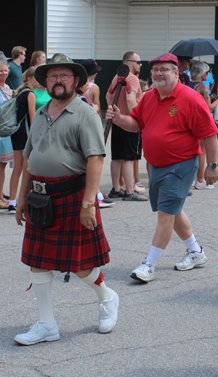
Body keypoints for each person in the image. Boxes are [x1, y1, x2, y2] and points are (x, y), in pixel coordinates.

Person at [13, 53, 119, 345]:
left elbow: (96, 160)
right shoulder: (43, 111)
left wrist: (88, 204)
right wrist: (21, 198)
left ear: (76, 81)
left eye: (64, 76)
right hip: (39, 198)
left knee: (81, 265)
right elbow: (28, 157)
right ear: (45, 81)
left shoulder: (84, 113)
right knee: (37, 262)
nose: (58, 81)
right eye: (52, 76)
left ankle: (107, 297)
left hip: (72, 197)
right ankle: (47, 324)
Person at [105, 52, 218, 279]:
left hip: (181, 165)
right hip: (156, 165)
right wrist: (119, 119)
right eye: (155, 69)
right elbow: (136, 123)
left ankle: (149, 264)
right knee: (172, 211)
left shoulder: (191, 99)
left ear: (176, 72)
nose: (158, 73)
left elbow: (210, 134)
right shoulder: (149, 96)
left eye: (164, 69)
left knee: (166, 214)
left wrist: (212, 165)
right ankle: (196, 251)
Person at [106, 51, 147, 201]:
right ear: (129, 63)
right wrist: (137, 117)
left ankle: (116, 188)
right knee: (129, 157)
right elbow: (130, 99)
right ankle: (130, 191)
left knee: (117, 156)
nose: (140, 64)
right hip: (129, 121)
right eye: (138, 61)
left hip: (117, 120)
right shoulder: (133, 78)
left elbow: (108, 95)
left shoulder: (117, 77)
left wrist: (113, 110)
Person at [8, 67, 38, 214]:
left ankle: (12, 202)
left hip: (16, 133)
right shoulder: (30, 94)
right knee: (25, 168)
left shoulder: (20, 92)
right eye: (37, 77)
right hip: (25, 134)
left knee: (17, 169)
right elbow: (33, 118)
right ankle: (24, 200)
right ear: (30, 79)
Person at [188, 60, 218, 190]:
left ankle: (192, 179)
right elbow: (209, 108)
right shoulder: (202, 87)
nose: (208, 75)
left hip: (189, 120)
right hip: (199, 122)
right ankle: (200, 180)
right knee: (201, 151)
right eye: (207, 72)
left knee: (193, 151)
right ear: (202, 74)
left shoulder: (187, 85)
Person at [0, 60, 14, 210]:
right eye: (0, 71)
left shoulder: (8, 88)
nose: (3, 73)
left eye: (5, 70)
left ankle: (1, 195)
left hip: (6, 132)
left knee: (2, 166)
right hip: (0, 132)